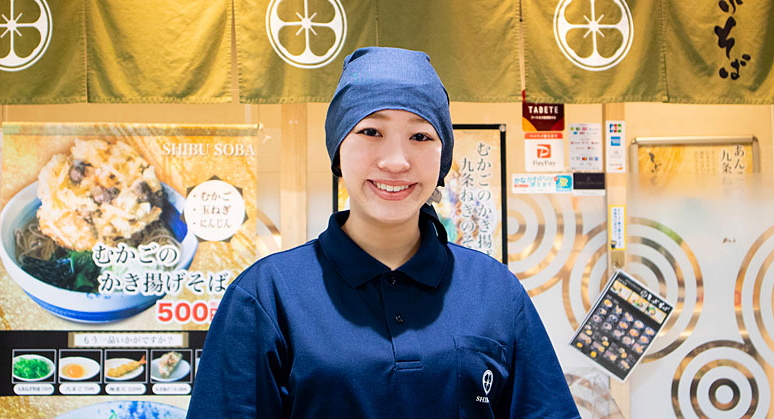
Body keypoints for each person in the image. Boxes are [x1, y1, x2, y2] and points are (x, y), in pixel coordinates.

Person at [187, 47, 580, 418]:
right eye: (371, 131)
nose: (395, 162)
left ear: (442, 156)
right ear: (338, 148)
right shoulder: (267, 296)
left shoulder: (493, 290)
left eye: (420, 136)